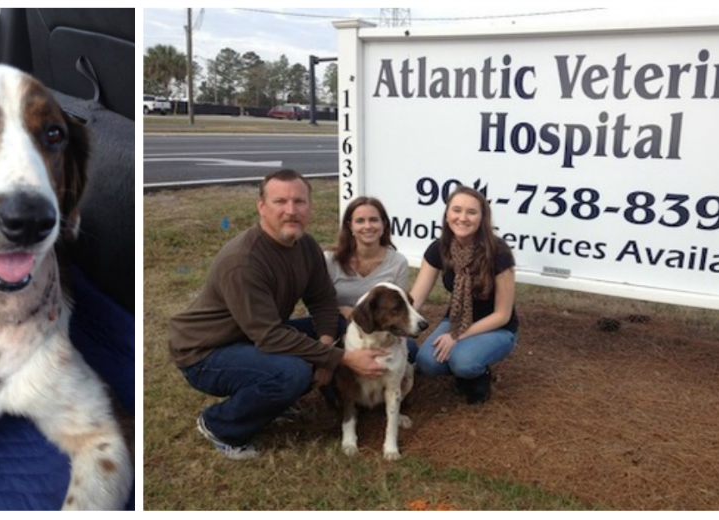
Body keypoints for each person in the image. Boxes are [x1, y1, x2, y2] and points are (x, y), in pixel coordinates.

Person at [168, 169, 388, 459]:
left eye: (299, 202)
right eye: (280, 202)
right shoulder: (243, 261)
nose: (291, 211)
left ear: (310, 206)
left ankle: (279, 400)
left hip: (252, 337)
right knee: (291, 373)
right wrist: (340, 358)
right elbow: (269, 336)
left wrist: (324, 348)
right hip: (206, 351)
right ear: (261, 206)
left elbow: (322, 301)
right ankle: (220, 425)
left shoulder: (305, 245)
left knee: (338, 324)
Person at [409, 186, 519, 404]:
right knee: (426, 363)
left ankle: (477, 375)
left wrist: (456, 336)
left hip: (496, 327)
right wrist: (395, 326)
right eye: (456, 210)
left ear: (482, 218)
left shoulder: (499, 252)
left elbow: (502, 315)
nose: (463, 218)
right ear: (447, 214)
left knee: (464, 362)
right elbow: (415, 300)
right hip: (456, 319)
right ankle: (461, 364)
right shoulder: (438, 249)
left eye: (471, 212)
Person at [325, 196, 416, 360]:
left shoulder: (397, 262)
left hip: (376, 329)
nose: (367, 226)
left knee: (411, 348)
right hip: (337, 324)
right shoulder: (330, 260)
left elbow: (402, 307)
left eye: (374, 220)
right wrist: (341, 309)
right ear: (350, 226)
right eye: (360, 221)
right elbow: (319, 302)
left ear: (384, 225)